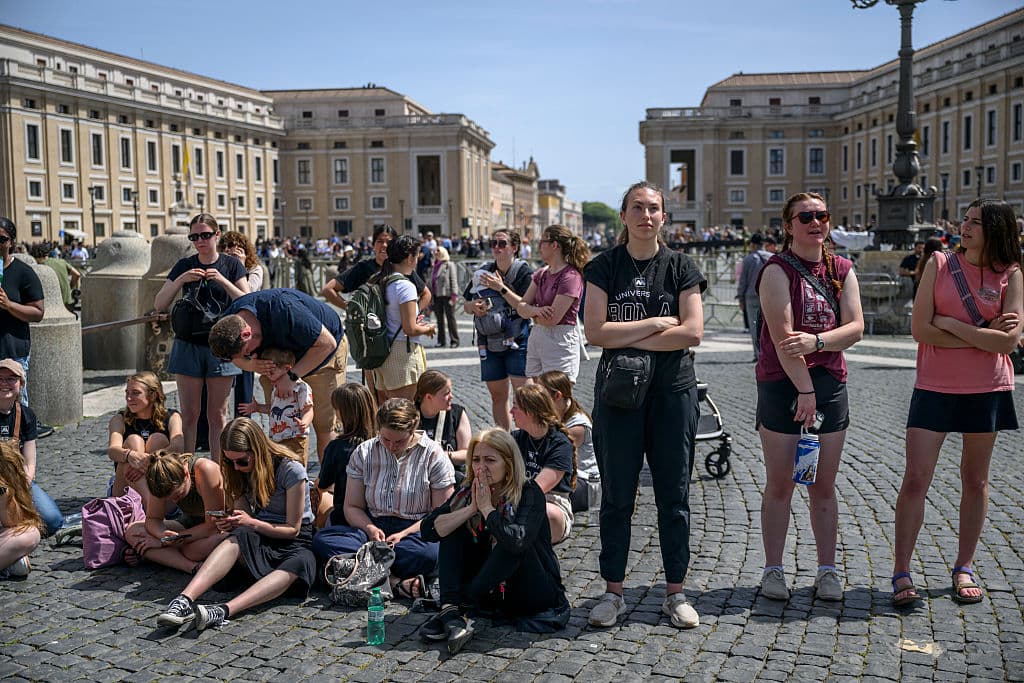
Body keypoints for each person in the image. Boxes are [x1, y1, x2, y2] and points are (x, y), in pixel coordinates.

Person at [583, 181, 706, 629]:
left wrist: (627, 329)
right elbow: (595, 332)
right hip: (619, 395)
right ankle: (613, 592)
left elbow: (692, 332)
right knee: (617, 496)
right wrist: (656, 323)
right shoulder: (603, 267)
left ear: (663, 217)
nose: (646, 215)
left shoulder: (681, 266)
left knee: (674, 496)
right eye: (637, 207)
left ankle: (676, 591)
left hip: (673, 392)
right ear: (623, 216)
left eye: (654, 208)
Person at [892, 199, 1022, 607]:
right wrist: (976, 333)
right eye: (964, 220)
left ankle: (964, 565)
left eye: (975, 223)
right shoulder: (939, 263)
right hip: (934, 385)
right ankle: (901, 569)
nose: (964, 228)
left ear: (995, 230)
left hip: (988, 388)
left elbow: (1009, 342)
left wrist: (947, 324)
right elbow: (920, 329)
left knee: (976, 481)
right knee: (915, 479)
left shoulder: (1012, 274)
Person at [754, 192, 864, 603]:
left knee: (823, 484)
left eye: (822, 215)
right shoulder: (776, 271)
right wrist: (804, 389)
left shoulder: (842, 268)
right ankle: (773, 569)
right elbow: (784, 340)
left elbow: (856, 328)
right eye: (806, 217)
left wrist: (818, 340)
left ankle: (827, 570)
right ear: (789, 225)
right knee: (781, 483)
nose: (816, 222)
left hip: (830, 385)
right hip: (784, 384)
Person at [156, 418, 315, 632]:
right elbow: (246, 518)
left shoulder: (291, 470)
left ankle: (223, 611)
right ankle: (183, 600)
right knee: (237, 536)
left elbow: (293, 529)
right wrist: (233, 522)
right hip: (260, 534)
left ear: (257, 450)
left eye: (241, 461)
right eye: (230, 462)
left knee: (302, 562)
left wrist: (251, 523)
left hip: (294, 540)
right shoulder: (237, 472)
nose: (236, 468)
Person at [419, 429, 569, 651]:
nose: (481, 467)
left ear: (508, 464)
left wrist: (488, 509)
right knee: (451, 524)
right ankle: (450, 607)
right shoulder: (467, 490)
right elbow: (429, 530)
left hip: (531, 587)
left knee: (510, 539)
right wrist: (471, 509)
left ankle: (460, 604)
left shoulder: (529, 492)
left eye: (490, 460)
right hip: (488, 591)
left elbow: (517, 541)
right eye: (476, 460)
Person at [311, 399, 455, 601]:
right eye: (386, 439)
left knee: (429, 555)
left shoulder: (433, 455)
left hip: (414, 531)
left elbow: (439, 515)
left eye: (399, 441)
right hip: (370, 527)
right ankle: (395, 583)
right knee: (323, 540)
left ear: (413, 430)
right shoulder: (364, 452)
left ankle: (362, 574)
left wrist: (404, 533)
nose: (392, 446)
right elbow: (352, 506)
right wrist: (369, 528)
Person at [209, 287, 347, 462]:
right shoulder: (230, 323)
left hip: (322, 354)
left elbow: (327, 343)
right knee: (282, 427)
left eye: (246, 352)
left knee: (324, 426)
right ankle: (291, 482)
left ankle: (327, 486)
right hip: (280, 363)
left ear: (246, 333)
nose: (249, 355)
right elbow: (237, 359)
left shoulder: (284, 308)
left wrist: (291, 377)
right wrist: (251, 364)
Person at [154, 214, 249, 462]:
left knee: (217, 415)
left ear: (217, 235)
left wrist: (222, 281)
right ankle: (185, 469)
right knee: (190, 414)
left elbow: (246, 300)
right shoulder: (185, 265)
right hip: (187, 345)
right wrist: (182, 280)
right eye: (194, 237)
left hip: (222, 346)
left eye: (205, 235)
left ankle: (219, 472)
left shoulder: (232, 265)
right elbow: (160, 303)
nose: (200, 241)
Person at [321, 225, 430, 400]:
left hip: (396, 341)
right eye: (380, 241)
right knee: (377, 396)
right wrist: (352, 308)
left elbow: (426, 294)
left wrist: (410, 316)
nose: (384, 246)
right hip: (373, 340)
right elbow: (328, 290)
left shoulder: (402, 269)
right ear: (373, 245)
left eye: (389, 242)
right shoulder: (364, 268)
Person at [485, 225, 589, 383]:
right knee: (539, 398)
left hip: (559, 339)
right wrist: (537, 311)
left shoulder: (570, 276)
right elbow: (521, 307)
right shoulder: (541, 273)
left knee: (556, 396)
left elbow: (552, 319)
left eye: (542, 242)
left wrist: (532, 313)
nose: (538, 246)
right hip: (538, 337)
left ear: (554, 245)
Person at [463, 230, 533, 430]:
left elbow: (525, 307)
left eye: (502, 243)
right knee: (497, 396)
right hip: (489, 340)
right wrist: (473, 307)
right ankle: (504, 441)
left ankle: (527, 439)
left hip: (518, 339)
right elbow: (466, 303)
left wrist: (500, 287)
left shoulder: (523, 272)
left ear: (515, 248)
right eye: (493, 243)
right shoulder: (484, 270)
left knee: (524, 397)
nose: (496, 247)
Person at [123, 450, 227, 573]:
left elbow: (211, 527)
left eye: (178, 495)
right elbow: (153, 519)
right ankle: (192, 567)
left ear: (186, 474)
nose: (174, 501)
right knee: (133, 532)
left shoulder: (205, 470)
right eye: (168, 499)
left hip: (219, 528)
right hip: (190, 523)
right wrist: (161, 534)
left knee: (191, 551)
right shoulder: (158, 479)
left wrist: (164, 543)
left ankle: (165, 556)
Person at [368, 234, 436, 401]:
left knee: (388, 412)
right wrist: (429, 329)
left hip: (383, 351)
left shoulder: (380, 280)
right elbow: (409, 328)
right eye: (417, 255)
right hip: (401, 354)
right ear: (410, 258)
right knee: (403, 414)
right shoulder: (405, 286)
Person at [0, 359, 62, 536]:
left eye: (11, 379)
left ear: (21, 384)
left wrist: (22, 487)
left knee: (52, 521)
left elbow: (30, 462)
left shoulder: (26, 415)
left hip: (18, 479)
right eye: (0, 379)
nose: (4, 384)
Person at [509, 385, 576, 545]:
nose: (511, 412)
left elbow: (538, 489)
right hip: (516, 499)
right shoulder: (516, 438)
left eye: (515, 407)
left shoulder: (559, 444)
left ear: (530, 412)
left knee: (544, 513)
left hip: (552, 502)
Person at [106, 371, 184, 501]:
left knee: (157, 440)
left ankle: (151, 507)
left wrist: (149, 461)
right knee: (133, 442)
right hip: (124, 490)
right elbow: (112, 451)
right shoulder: (119, 419)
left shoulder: (172, 417)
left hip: (162, 486)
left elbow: (178, 447)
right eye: (127, 393)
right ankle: (152, 509)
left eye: (135, 393)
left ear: (152, 395)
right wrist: (130, 456)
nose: (129, 398)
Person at [312, 383, 377, 528]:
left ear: (342, 413)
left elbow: (323, 485)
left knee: (320, 496)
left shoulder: (337, 447)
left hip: (345, 518)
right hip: (378, 516)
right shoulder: (381, 443)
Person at [238, 348, 313, 464]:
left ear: (287, 369)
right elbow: (274, 409)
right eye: (266, 374)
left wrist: (304, 422)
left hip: (295, 437)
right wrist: (258, 408)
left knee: (297, 466)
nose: (269, 377)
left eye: (271, 373)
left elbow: (308, 409)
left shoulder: (301, 388)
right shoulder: (276, 388)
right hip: (277, 437)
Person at [218, 231, 265, 416]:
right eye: (227, 247)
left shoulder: (255, 269)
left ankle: (243, 422)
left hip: (245, 328)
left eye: (236, 247)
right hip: (224, 327)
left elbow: (249, 293)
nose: (231, 251)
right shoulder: (218, 269)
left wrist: (240, 266)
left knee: (245, 377)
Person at [0, 217, 44, 408]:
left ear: (12, 242)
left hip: (12, 350)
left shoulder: (23, 273)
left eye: (2, 239)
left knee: (15, 406)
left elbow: (38, 312)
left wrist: (9, 305)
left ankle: (18, 438)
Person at [536, 370, 599, 501]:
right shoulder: (555, 414)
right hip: (565, 474)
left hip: (586, 483)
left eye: (542, 394)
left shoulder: (577, 426)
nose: (538, 397)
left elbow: (550, 454)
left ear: (557, 396)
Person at [415, 370, 472, 480]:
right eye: (446, 393)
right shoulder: (410, 416)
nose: (452, 396)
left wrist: (444, 455)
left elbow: (467, 453)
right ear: (429, 397)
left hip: (451, 475)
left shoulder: (457, 413)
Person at [0, 439, 43, 579]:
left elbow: (14, 522)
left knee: (30, 534)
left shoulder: (5, 459)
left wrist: (3, 494)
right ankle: (8, 560)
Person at [469, 265, 520, 357]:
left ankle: (482, 350)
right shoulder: (494, 289)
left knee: (481, 335)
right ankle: (510, 341)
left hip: (482, 321)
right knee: (507, 324)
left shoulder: (476, 293)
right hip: (498, 317)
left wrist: (472, 306)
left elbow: (466, 304)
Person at [737, 233, 772, 361]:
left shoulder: (748, 259)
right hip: (769, 295)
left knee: (754, 325)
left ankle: (758, 354)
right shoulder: (772, 258)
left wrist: (740, 297)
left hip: (751, 296)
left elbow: (743, 281)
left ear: (752, 244)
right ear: (764, 244)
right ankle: (769, 353)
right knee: (769, 326)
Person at [30, 242, 81, 312]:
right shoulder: (62, 261)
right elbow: (77, 274)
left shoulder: (39, 267)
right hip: (68, 301)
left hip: (52, 305)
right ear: (47, 253)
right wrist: (70, 287)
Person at [430, 247, 461, 348]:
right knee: (439, 319)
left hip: (447, 295)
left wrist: (454, 295)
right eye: (435, 251)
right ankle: (441, 341)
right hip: (436, 295)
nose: (435, 252)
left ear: (443, 252)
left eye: (438, 251)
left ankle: (454, 340)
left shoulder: (449, 264)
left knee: (450, 318)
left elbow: (453, 280)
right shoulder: (434, 265)